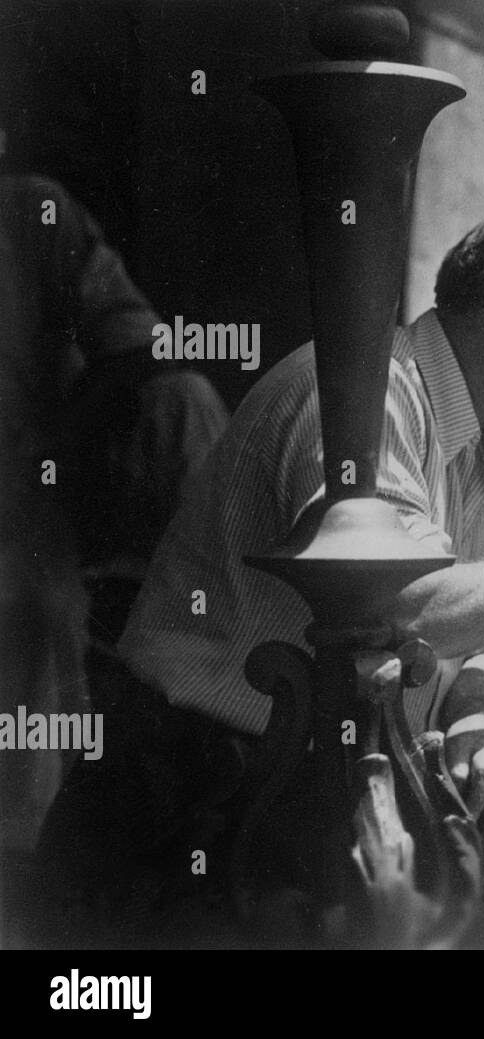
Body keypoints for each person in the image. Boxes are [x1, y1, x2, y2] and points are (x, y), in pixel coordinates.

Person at [36, 204, 484, 942]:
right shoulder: (366, 399)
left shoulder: (473, 443)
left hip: (284, 804)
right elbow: (407, 607)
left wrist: (478, 726)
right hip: (185, 810)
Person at [0, 172, 228, 858]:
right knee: (35, 605)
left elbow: (139, 348)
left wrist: (63, 445)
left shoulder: (29, 212)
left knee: (186, 403)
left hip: (40, 515)